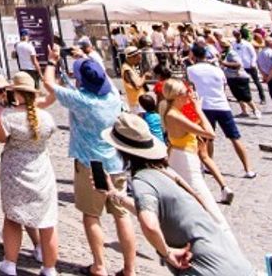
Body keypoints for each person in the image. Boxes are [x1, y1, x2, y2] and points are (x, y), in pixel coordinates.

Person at [101, 112, 254, 276]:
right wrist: (115, 195)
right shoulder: (166, 172)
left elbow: (150, 223)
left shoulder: (142, 180)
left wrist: (167, 253)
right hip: (236, 263)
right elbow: (149, 209)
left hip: (207, 269)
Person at [41, 48, 137, 276]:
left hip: (91, 164)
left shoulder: (82, 101)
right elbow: (95, 77)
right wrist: (84, 59)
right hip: (116, 161)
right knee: (122, 215)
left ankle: (99, 266)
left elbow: (48, 84)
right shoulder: (113, 95)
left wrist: (52, 62)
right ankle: (130, 269)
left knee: (92, 215)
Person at [0, 72, 59, 276]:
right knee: (47, 222)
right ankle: (49, 268)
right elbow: (49, 133)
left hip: (16, 171)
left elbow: (1, 138)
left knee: (13, 218)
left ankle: (10, 263)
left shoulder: (8, 116)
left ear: (17, 94)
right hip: (41, 168)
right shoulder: (46, 117)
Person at [158, 79, 231, 227]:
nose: (190, 95)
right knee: (204, 198)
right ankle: (222, 231)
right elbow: (210, 133)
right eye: (186, 92)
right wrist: (198, 109)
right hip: (184, 159)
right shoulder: (174, 115)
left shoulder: (173, 111)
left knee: (189, 198)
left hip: (182, 156)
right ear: (178, 96)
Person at [185, 43, 255, 179]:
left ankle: (208, 165)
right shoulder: (218, 70)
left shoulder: (191, 70)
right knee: (235, 138)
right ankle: (248, 169)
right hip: (222, 105)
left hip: (205, 106)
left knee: (207, 138)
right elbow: (223, 87)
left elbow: (188, 86)